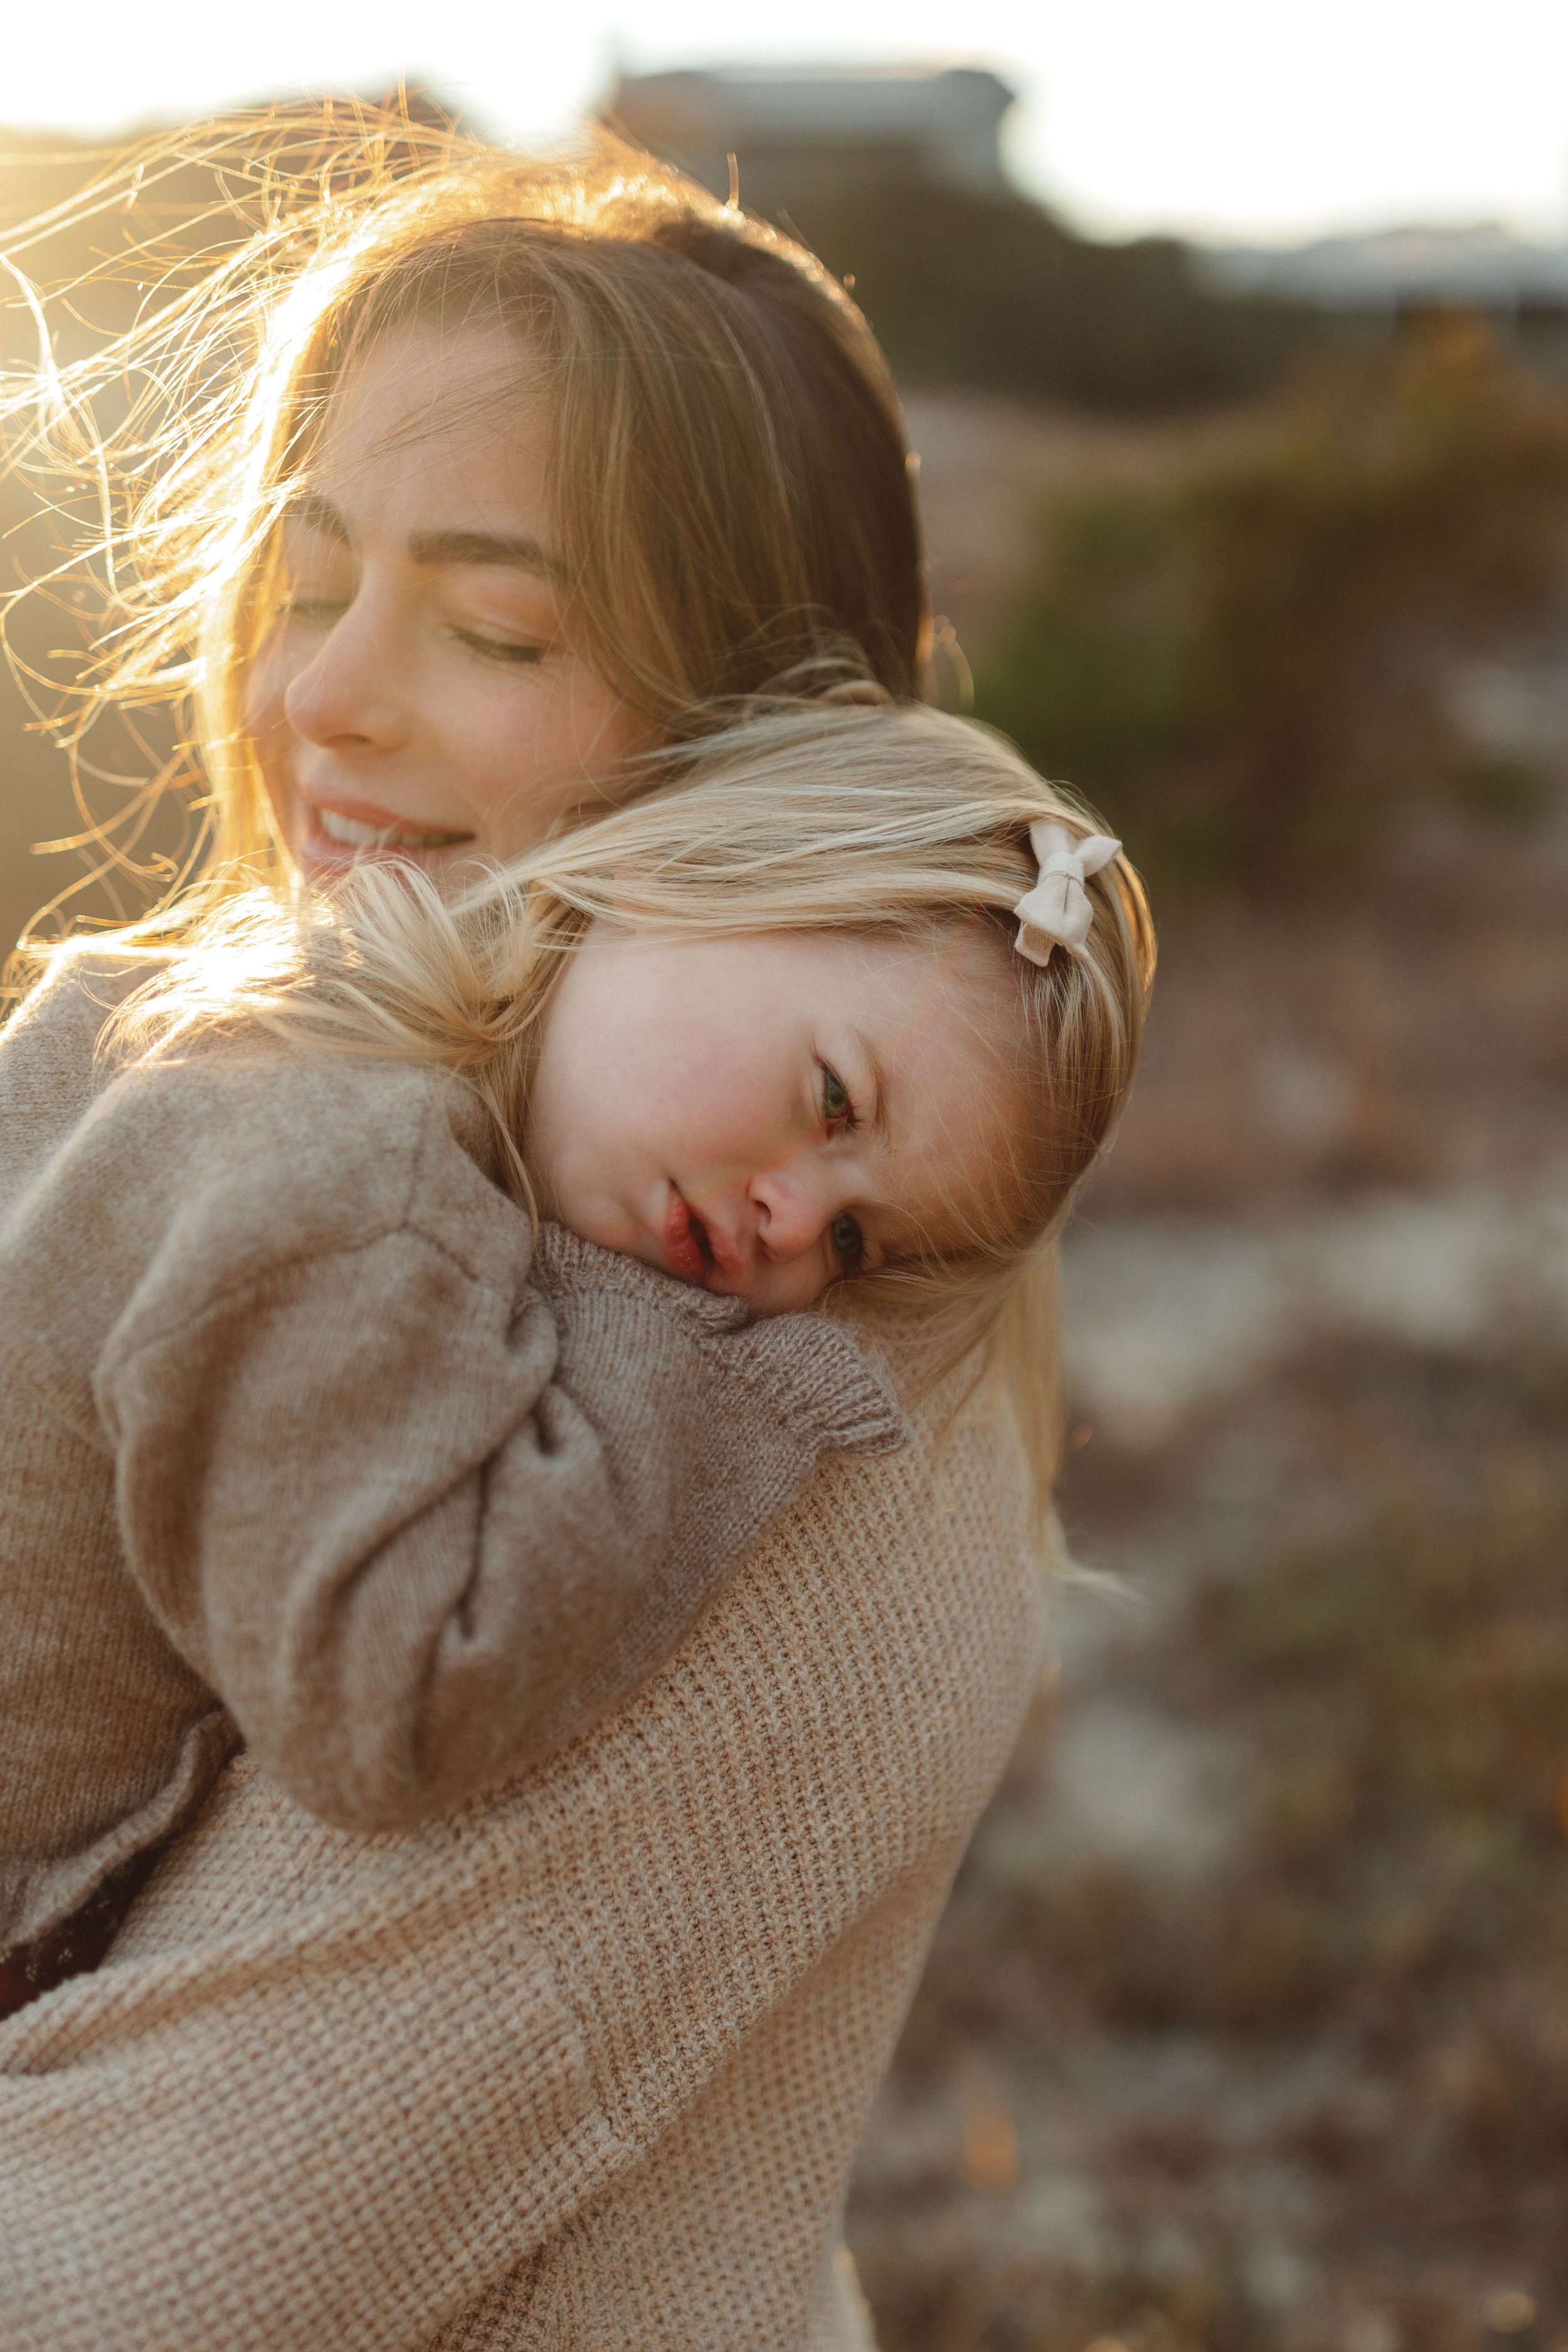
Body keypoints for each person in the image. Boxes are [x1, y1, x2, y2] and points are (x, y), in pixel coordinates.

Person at [0, 111, 1155, 2350]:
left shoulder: (787, 1430)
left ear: (760, 762)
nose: (313, 700)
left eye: (494, 625)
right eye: (310, 577)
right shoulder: (224, 1083)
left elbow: (138, 2280)